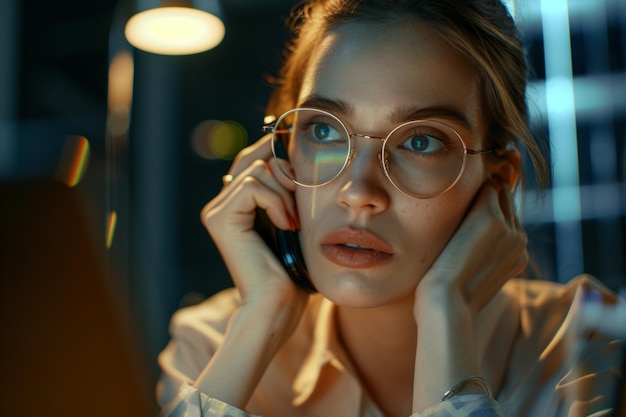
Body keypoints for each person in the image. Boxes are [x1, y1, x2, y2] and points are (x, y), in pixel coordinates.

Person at [156, 0, 625, 416]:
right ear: (278, 153)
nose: (358, 192)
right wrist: (263, 316)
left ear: (498, 181)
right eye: (323, 130)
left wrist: (448, 310)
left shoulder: (587, 345)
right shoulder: (215, 345)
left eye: (421, 141)